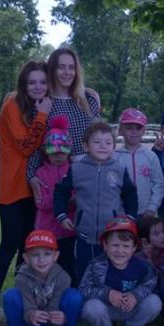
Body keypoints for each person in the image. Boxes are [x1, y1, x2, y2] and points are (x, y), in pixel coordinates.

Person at [0, 60, 52, 323]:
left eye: (43, 82)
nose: (38, 86)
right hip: (13, 188)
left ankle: (22, 299)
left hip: (35, 187)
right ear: (23, 84)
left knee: (28, 246)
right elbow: (25, 146)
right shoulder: (12, 106)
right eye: (32, 82)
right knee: (9, 245)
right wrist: (43, 116)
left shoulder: (40, 106)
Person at [54, 120, 138, 283]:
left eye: (108, 143)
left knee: (111, 273)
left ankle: (109, 297)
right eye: (97, 142)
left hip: (113, 234)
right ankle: (84, 297)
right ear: (86, 146)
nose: (102, 146)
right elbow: (61, 191)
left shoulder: (119, 169)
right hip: (85, 234)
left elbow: (130, 194)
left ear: (114, 147)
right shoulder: (77, 169)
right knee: (83, 272)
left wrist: (130, 218)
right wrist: (61, 215)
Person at [27, 48, 101, 199]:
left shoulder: (89, 100)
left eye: (71, 67)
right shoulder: (44, 103)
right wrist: (31, 175)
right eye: (61, 67)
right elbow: (36, 145)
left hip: (92, 173)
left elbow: (100, 136)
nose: (67, 72)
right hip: (59, 176)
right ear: (52, 70)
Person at [80, 217, 162, 326]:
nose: (120, 251)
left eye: (126, 246)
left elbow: (151, 283)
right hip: (106, 309)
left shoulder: (142, 265)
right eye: (115, 245)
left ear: (134, 248)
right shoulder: (96, 265)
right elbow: (83, 289)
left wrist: (136, 295)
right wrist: (107, 294)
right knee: (91, 307)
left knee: (154, 302)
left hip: (131, 307)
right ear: (105, 245)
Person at [0, 230, 83, 326]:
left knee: (74, 295)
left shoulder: (63, 277)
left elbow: (56, 303)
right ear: (26, 258)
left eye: (47, 254)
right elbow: (27, 303)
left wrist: (63, 318)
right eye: (35, 255)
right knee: (10, 295)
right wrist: (31, 314)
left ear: (55, 256)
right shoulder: (22, 277)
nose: (41, 259)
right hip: (30, 325)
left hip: (57, 325)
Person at [33, 115, 76, 279]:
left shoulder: (74, 170)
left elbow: (79, 197)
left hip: (70, 230)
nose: (58, 156)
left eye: (62, 152)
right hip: (48, 231)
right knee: (48, 270)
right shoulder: (40, 173)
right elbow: (41, 203)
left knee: (70, 267)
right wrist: (61, 198)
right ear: (46, 152)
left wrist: (65, 200)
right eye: (54, 153)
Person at [115, 108, 164, 218]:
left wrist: (152, 208)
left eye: (138, 128)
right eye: (129, 128)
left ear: (144, 130)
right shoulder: (114, 157)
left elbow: (158, 184)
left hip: (146, 213)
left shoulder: (151, 156)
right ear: (121, 130)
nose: (134, 132)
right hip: (121, 214)